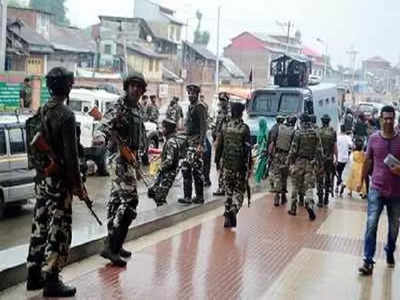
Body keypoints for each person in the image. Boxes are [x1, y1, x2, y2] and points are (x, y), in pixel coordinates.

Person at [26, 67, 86, 297]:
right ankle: (51, 279)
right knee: (59, 229)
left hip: (43, 180)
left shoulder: (41, 110)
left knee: (39, 225)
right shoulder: (66, 114)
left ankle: (33, 275)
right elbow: (71, 158)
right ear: (68, 86)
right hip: (59, 183)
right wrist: (78, 186)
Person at [100, 72, 147, 267]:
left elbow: (141, 133)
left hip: (131, 159)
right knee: (130, 201)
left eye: (139, 86)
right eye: (132, 85)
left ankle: (114, 245)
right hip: (118, 158)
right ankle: (112, 247)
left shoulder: (137, 108)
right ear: (127, 87)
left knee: (116, 202)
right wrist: (100, 137)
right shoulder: (118, 106)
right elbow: (104, 125)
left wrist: (141, 159)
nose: (136, 89)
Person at [358, 105, 400, 276]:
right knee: (371, 224)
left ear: (394, 119)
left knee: (394, 227)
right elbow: (367, 161)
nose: (388, 121)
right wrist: (360, 181)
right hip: (376, 189)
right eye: (386, 118)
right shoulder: (373, 139)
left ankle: (390, 250)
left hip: (397, 192)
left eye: (391, 118)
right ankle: (368, 261)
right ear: (381, 119)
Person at [215, 102, 251, 228]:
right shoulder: (244, 129)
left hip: (227, 166)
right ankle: (234, 210)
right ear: (241, 113)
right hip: (239, 168)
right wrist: (248, 167)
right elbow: (248, 151)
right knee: (239, 191)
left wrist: (217, 162)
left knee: (228, 191)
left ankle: (227, 216)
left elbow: (219, 147)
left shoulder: (225, 127)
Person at [287, 113, 323, 221]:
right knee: (309, 187)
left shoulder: (298, 133)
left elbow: (293, 150)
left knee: (295, 185)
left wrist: (290, 161)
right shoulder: (315, 133)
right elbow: (319, 150)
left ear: (302, 121)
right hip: (310, 163)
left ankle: (293, 209)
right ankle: (309, 203)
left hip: (299, 162)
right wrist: (318, 163)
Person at [178, 84, 207, 204]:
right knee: (186, 169)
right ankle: (188, 196)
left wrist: (201, 144)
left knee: (196, 170)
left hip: (196, 143)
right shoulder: (190, 107)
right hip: (188, 142)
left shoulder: (200, 107)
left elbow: (203, 127)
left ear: (197, 94)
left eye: (193, 93)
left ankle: (199, 196)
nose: (190, 95)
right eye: (189, 93)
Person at [147, 118, 181, 206]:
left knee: (159, 197)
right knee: (153, 193)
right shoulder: (170, 140)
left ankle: (164, 214)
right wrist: (158, 156)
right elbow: (167, 154)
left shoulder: (171, 142)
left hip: (168, 174)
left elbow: (169, 161)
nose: (162, 130)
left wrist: (159, 167)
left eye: (164, 128)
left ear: (168, 129)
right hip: (165, 173)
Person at [269, 115, 296, 206]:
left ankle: (277, 197)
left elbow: (272, 144)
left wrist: (270, 155)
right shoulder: (293, 131)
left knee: (277, 175)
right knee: (284, 176)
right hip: (287, 155)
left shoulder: (278, 128)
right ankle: (283, 195)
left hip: (277, 154)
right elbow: (293, 147)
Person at [316, 114, 337, 207]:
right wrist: (336, 158)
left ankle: (320, 200)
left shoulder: (318, 131)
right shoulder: (333, 132)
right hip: (329, 158)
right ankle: (326, 199)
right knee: (328, 178)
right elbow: (334, 146)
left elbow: (316, 147)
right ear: (329, 121)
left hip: (320, 159)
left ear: (322, 121)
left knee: (319, 179)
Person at [213, 92, 231, 196]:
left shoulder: (230, 114)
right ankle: (222, 187)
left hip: (226, 143)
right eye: (220, 100)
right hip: (219, 142)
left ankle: (223, 187)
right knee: (219, 164)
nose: (221, 102)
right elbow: (217, 127)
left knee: (224, 165)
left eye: (223, 100)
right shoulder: (220, 112)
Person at [336, 125, 353, 196]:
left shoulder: (338, 138)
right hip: (345, 158)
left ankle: (340, 184)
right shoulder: (348, 138)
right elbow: (352, 145)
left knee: (337, 172)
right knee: (341, 172)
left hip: (338, 158)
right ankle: (338, 187)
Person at [200, 94, 212, 187]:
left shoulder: (205, 120)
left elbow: (204, 130)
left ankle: (206, 179)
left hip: (204, 141)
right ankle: (205, 179)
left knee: (205, 162)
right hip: (204, 140)